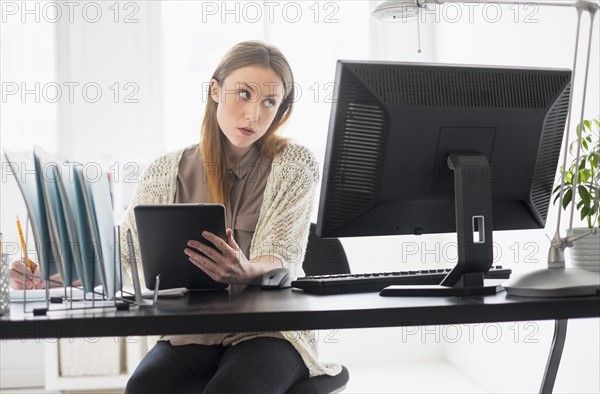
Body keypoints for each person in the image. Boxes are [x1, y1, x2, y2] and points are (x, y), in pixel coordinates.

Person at [120, 40, 340, 393]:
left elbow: (281, 254)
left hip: (268, 330)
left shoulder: (295, 165)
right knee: (142, 389)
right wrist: (56, 272)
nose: (254, 114)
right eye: (244, 94)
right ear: (215, 90)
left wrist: (245, 269)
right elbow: (127, 250)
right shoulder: (164, 171)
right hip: (189, 333)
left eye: (270, 102)